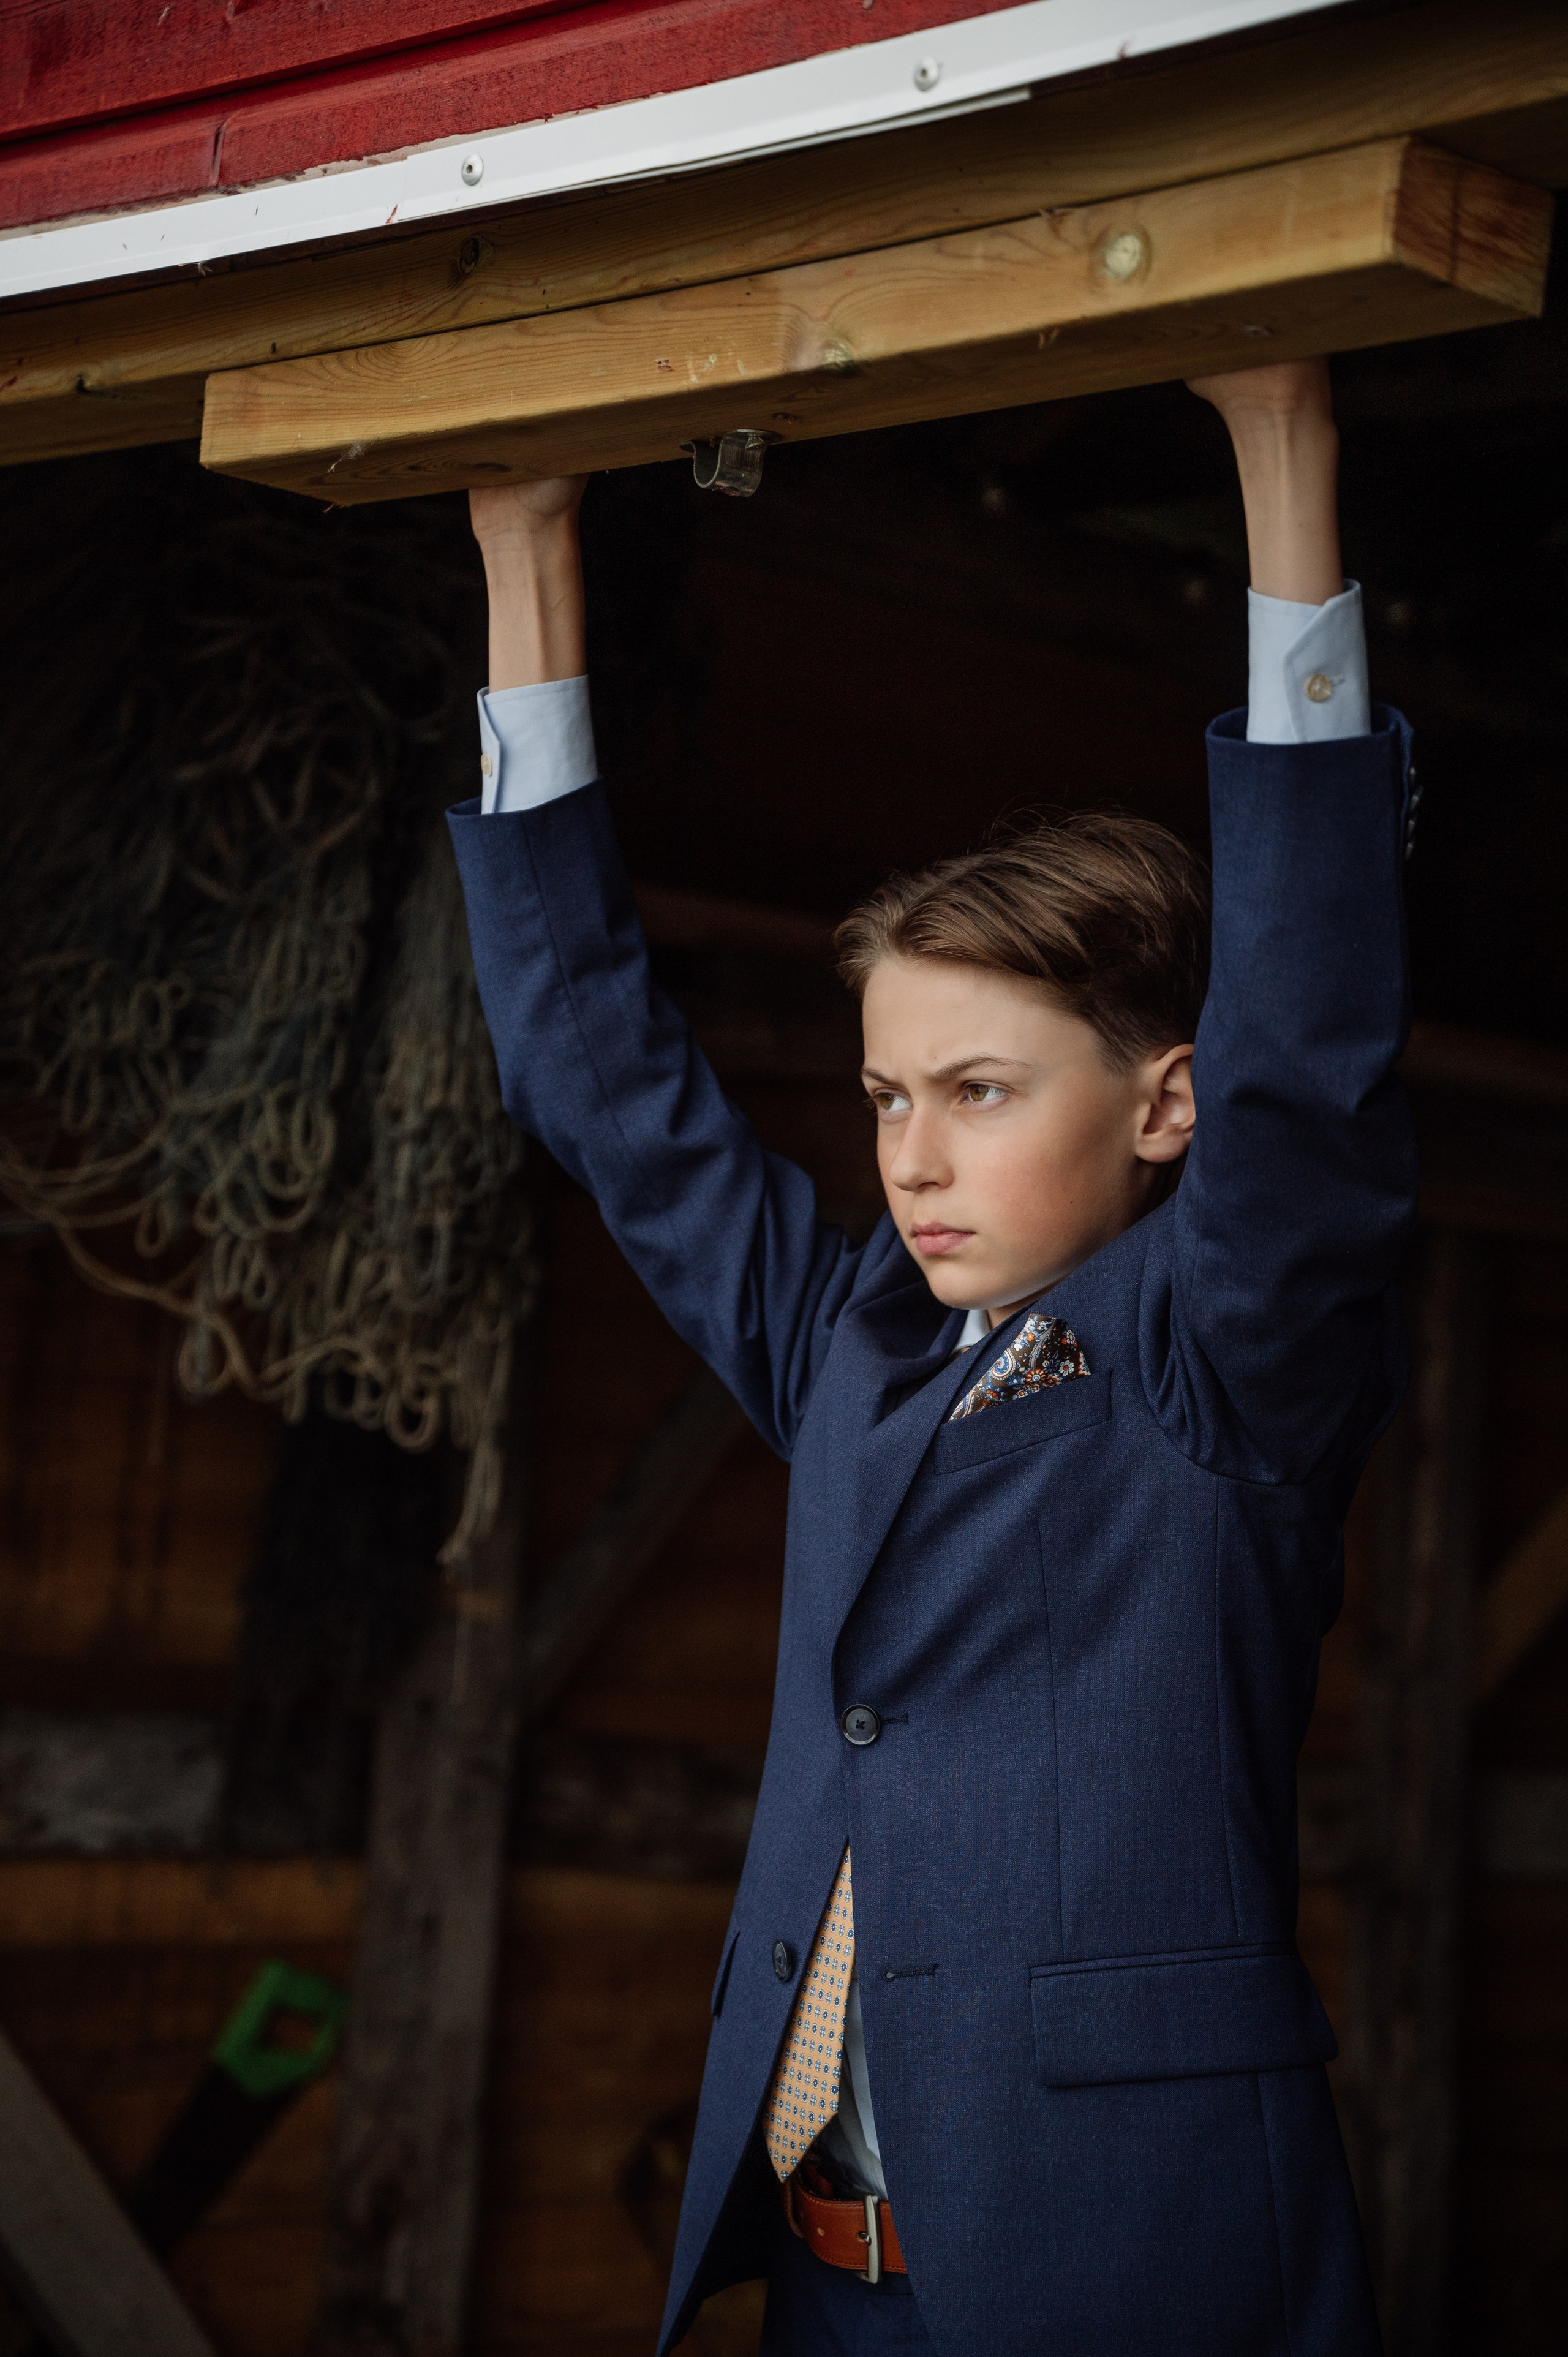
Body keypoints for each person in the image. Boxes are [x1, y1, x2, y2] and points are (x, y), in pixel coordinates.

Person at [448, 359, 1412, 2356]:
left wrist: (1278, 443)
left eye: (980, 1091)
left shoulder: (1228, 1359)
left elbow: (1309, 1050)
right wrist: (524, 544)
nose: (911, 1157)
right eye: (890, 1095)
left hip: (1120, 2270)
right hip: (826, 2277)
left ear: (1169, 1104)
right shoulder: (852, 1349)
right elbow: (605, 1092)